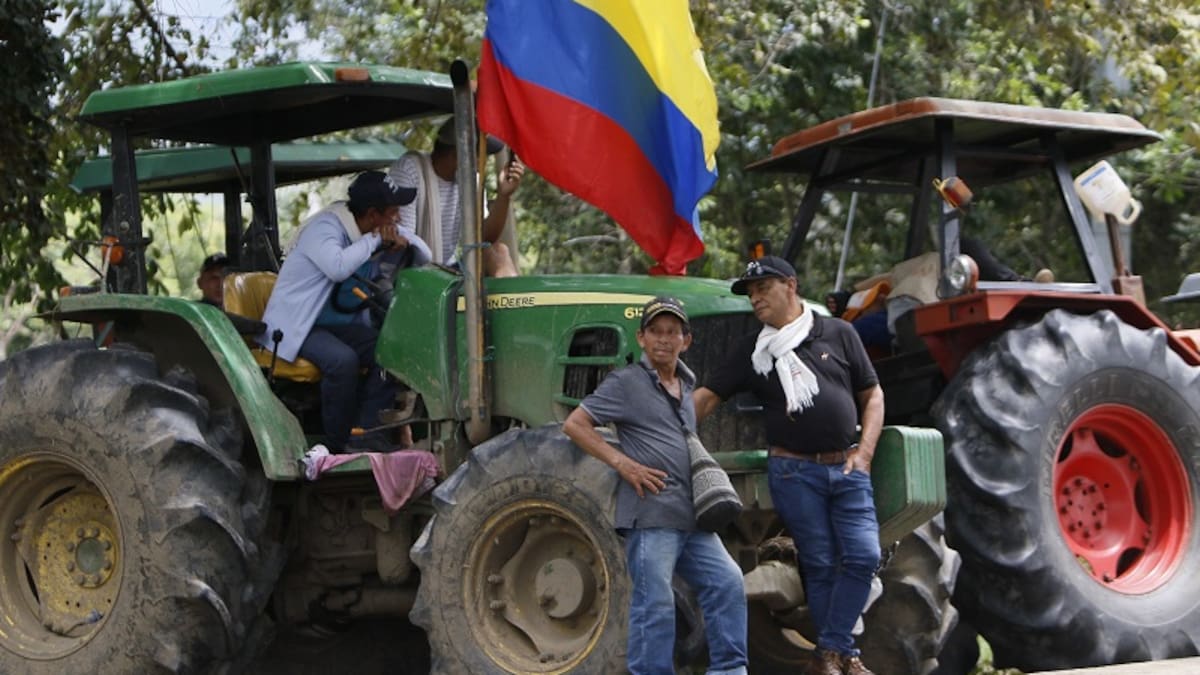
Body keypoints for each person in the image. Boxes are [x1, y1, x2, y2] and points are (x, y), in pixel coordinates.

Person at [694, 256, 884, 675]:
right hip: (794, 473)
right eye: (750, 293)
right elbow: (707, 396)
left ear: (791, 285)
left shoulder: (839, 332)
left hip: (848, 467)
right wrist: (668, 429)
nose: (755, 298)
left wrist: (865, 452)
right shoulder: (753, 350)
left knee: (864, 555)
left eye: (763, 288)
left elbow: (872, 395)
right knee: (818, 562)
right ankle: (841, 657)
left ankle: (829, 652)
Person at [563, 297, 749, 675]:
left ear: (686, 340)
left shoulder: (687, 383)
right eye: (656, 332)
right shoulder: (626, 382)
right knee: (656, 604)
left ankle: (730, 671)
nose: (664, 340)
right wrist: (623, 463)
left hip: (692, 516)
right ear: (642, 338)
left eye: (672, 332)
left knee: (728, 583)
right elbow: (575, 425)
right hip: (651, 515)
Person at [258, 171, 424, 453]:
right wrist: (375, 241)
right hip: (294, 326)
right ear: (373, 215)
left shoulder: (362, 230)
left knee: (390, 349)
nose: (398, 219)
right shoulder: (324, 228)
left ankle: (367, 433)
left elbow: (426, 254)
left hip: (323, 325)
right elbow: (337, 267)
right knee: (342, 361)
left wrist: (402, 239)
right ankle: (337, 445)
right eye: (394, 213)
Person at [387, 117, 523, 277]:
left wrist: (504, 195)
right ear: (458, 155)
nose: (482, 162)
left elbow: (484, 238)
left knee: (500, 251)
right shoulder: (411, 170)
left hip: (446, 270)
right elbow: (404, 241)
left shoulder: (471, 180)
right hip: (411, 274)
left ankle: (514, 302)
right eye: (479, 155)